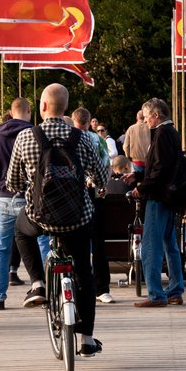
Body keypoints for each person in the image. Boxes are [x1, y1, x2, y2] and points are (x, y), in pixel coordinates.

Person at [5, 83, 106, 356]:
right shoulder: (84, 138)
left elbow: (13, 181)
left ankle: (37, 283)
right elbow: (102, 177)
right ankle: (86, 339)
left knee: (21, 231)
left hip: (40, 216)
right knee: (84, 272)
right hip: (76, 218)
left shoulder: (26, 138)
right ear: (65, 109)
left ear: (43, 107)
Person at [135, 97, 186, 308]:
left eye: (147, 118)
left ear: (157, 116)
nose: (146, 122)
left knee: (151, 247)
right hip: (170, 197)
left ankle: (156, 294)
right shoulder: (172, 132)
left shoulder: (162, 134)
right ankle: (175, 290)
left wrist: (142, 187)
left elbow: (160, 168)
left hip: (158, 196)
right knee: (170, 245)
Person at [0, 97, 36, 310]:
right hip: (30, 197)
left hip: (5, 197)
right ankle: (43, 287)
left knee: (1, 247)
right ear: (29, 111)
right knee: (41, 243)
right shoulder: (35, 133)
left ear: (10, 111)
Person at [73, 106, 115, 304]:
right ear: (90, 122)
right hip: (95, 194)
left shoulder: (69, 138)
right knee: (98, 242)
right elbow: (107, 165)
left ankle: (75, 284)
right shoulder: (97, 140)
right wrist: (102, 186)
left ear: (74, 120)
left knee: (74, 242)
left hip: (72, 196)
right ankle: (102, 288)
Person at [122, 108, 151, 172]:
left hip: (136, 161)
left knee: (137, 179)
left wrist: (128, 157)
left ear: (136, 118)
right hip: (149, 161)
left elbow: (126, 146)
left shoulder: (131, 128)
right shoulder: (150, 128)